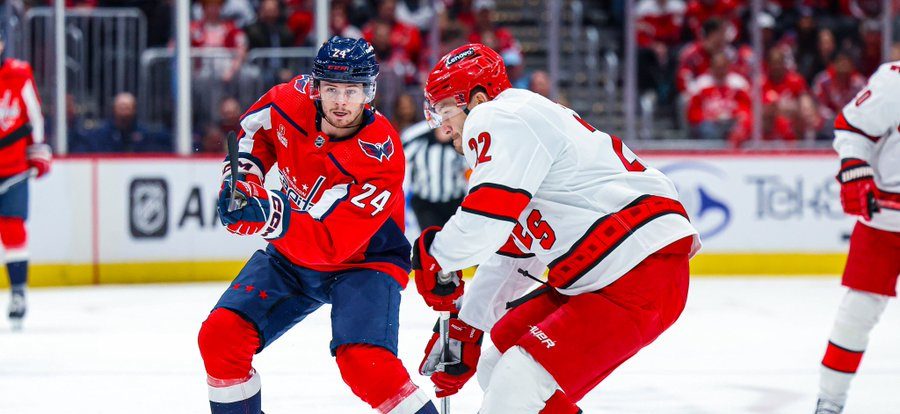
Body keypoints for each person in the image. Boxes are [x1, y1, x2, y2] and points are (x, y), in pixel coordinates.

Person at [412, 43, 700, 413]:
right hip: (616, 267)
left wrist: (438, 253)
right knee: (497, 362)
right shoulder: (523, 128)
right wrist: (467, 326)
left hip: (632, 267)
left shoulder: (498, 117)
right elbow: (515, 253)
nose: (442, 125)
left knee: (516, 385)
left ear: (478, 99)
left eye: (446, 110)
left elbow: (486, 220)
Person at [197, 36, 439, 414]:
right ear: (316, 88)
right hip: (292, 256)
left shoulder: (381, 154)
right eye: (331, 89)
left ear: (368, 92)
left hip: (365, 261)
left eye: (352, 90)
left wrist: (269, 214)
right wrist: (244, 180)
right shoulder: (287, 100)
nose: (341, 102)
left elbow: (332, 244)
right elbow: (252, 134)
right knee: (221, 338)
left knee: (366, 367)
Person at [816, 60, 900, 414]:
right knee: (856, 316)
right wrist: (854, 167)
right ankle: (830, 402)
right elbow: (852, 127)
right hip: (886, 220)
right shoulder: (896, 81)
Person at [0, 32, 51, 330]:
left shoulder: (18, 73)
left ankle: (18, 292)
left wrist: (38, 151)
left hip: (13, 166)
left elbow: (35, 116)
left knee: (13, 229)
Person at [401, 116, 468, 230]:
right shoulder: (419, 140)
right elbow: (400, 159)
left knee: (452, 239)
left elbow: (469, 168)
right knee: (431, 239)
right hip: (426, 203)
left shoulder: (461, 142)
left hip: (454, 202)